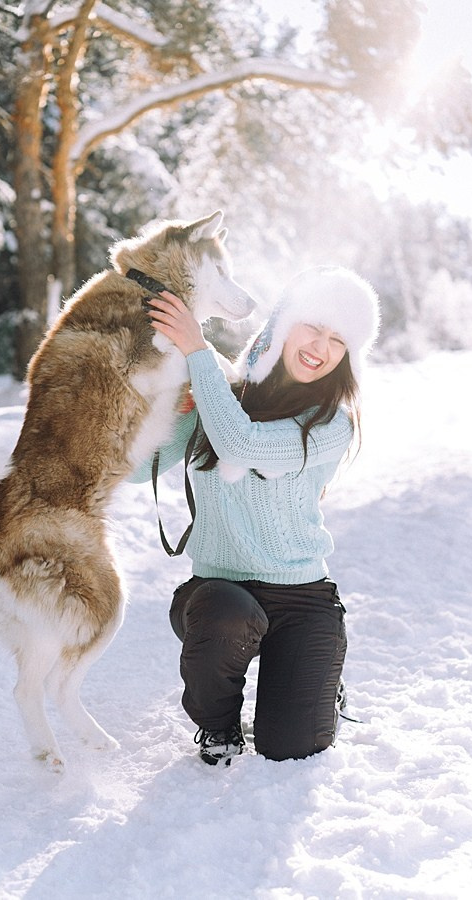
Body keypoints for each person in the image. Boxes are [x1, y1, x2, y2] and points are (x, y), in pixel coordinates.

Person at [138, 265, 380, 766]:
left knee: (289, 748)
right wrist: (168, 405)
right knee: (227, 612)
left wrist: (197, 351)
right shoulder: (219, 393)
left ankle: (323, 690)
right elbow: (140, 467)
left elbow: (240, 443)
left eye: (338, 339)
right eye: (312, 326)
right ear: (282, 325)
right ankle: (218, 727)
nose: (320, 345)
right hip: (217, 598)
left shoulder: (332, 422)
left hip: (303, 599)